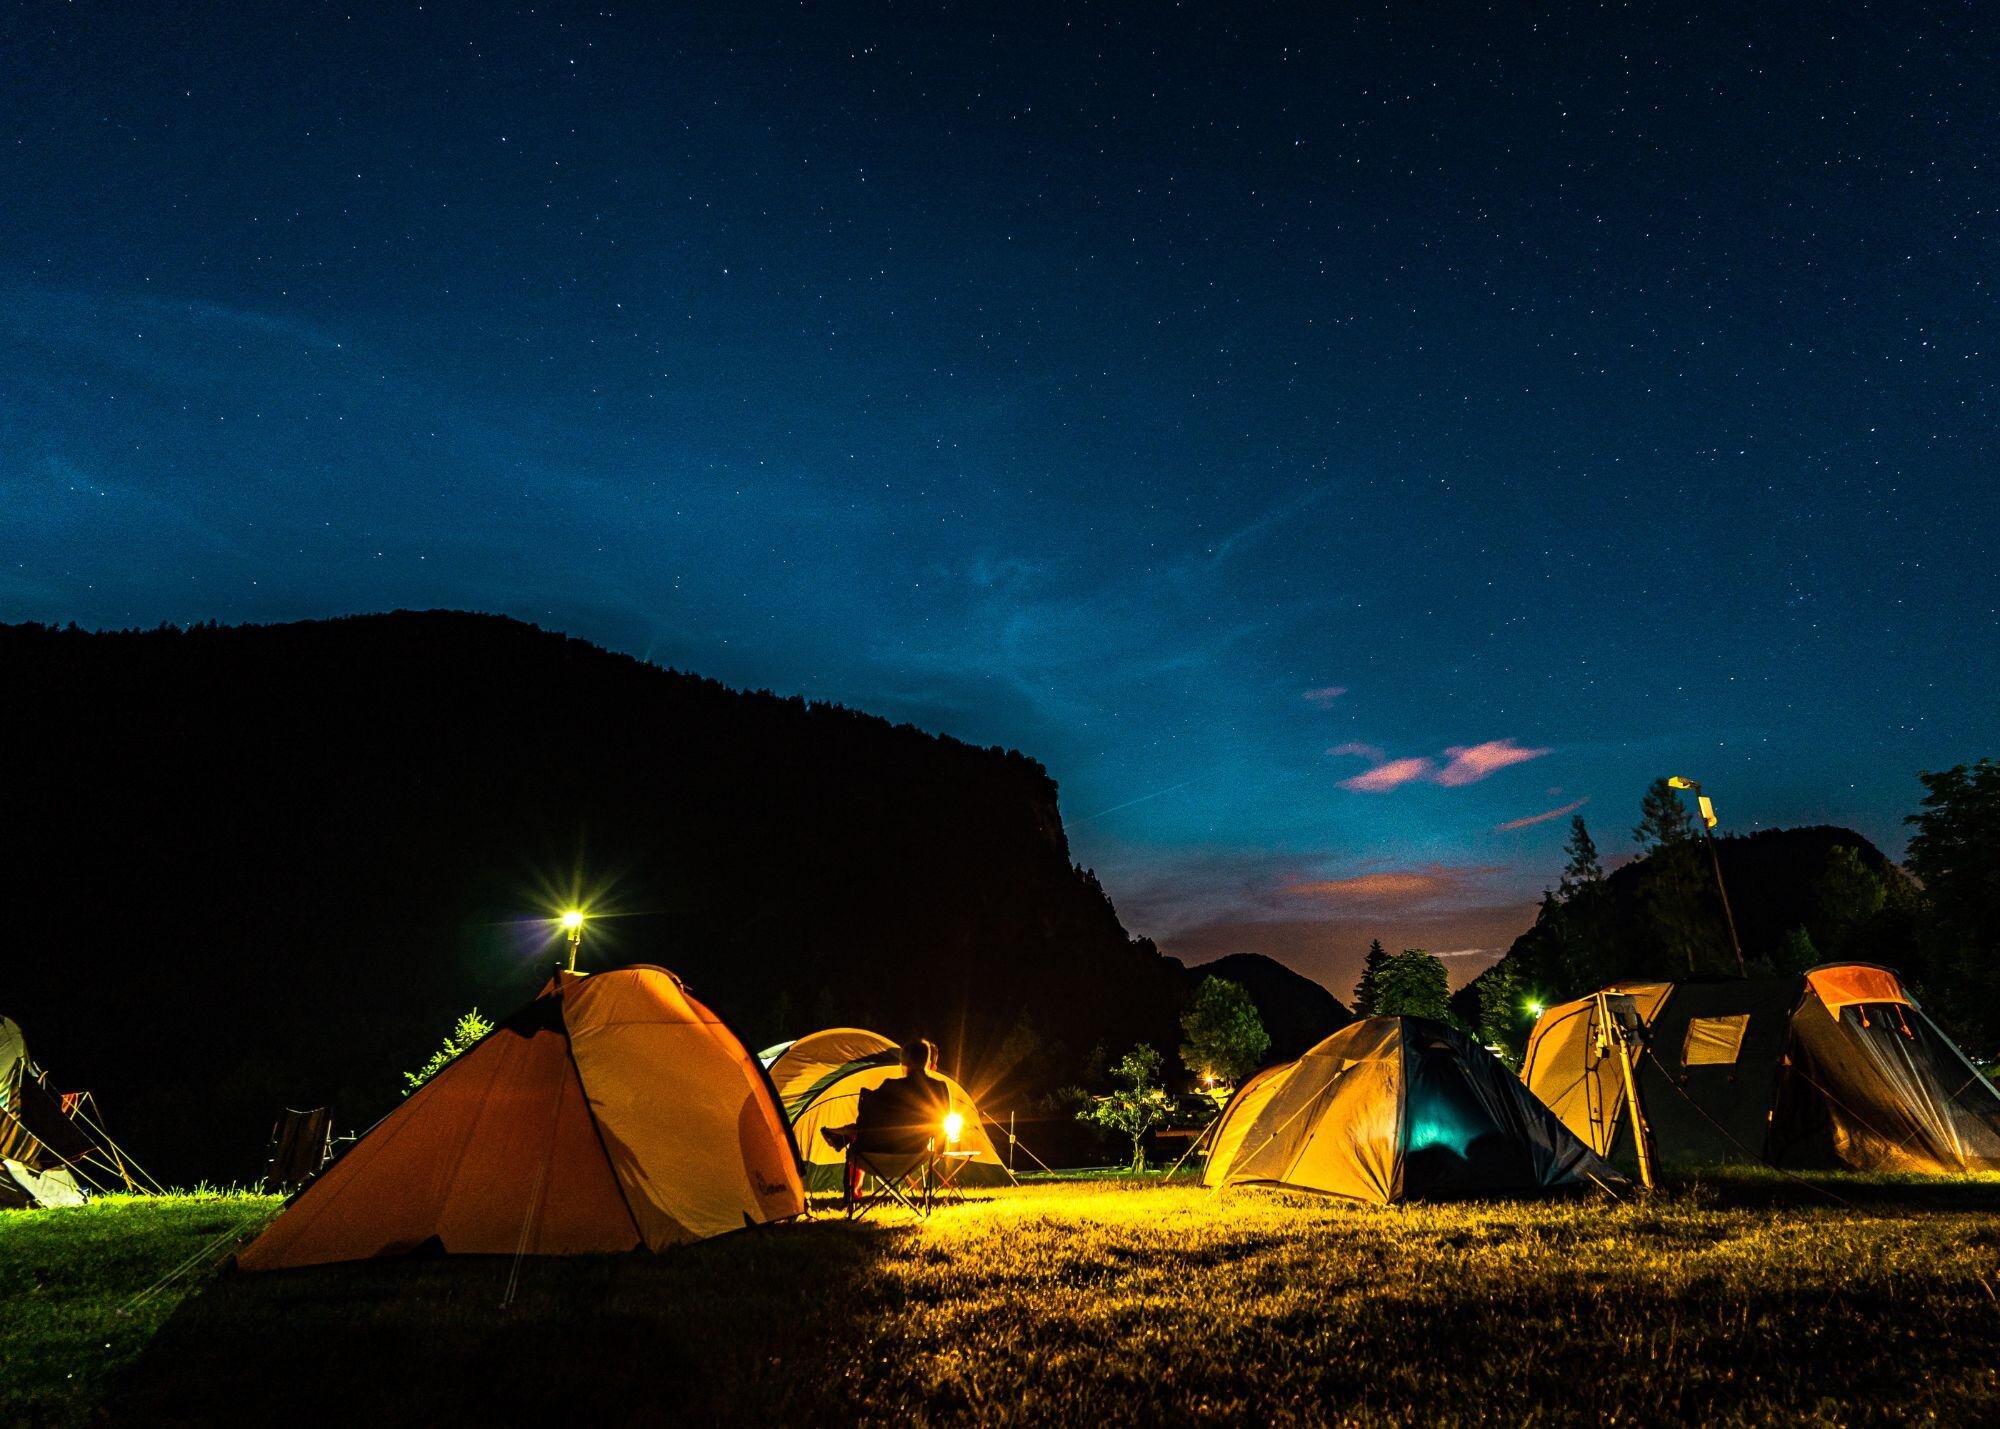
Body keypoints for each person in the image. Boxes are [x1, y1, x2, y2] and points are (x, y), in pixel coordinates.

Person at [821, 1037, 950, 1202]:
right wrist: (939, 1148)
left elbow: (866, 1122)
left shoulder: (890, 1086)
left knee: (858, 1135)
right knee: (860, 1131)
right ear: (927, 1060)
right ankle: (841, 1136)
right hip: (915, 1155)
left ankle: (841, 1139)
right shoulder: (940, 1088)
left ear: (905, 1060)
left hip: (875, 1153)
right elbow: (941, 1124)